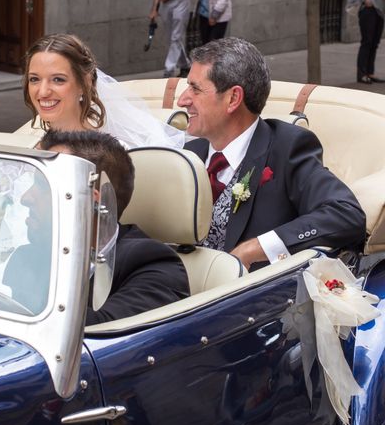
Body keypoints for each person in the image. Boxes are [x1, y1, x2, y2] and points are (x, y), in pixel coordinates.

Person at [177, 37, 366, 270]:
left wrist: (252, 249)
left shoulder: (286, 148)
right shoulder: (186, 156)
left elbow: (345, 215)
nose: (182, 100)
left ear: (233, 98)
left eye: (195, 89)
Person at [38, 129, 190, 325]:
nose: (25, 198)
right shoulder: (31, 254)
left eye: (43, 186)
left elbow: (102, 333)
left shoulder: (152, 264)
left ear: (88, 202)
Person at [22, 33, 184, 149]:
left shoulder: (112, 153)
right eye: (34, 79)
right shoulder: (29, 142)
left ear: (84, 84)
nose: (42, 92)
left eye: (58, 79)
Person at [149, 0, 192, 78]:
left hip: (181, 2)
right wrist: (154, 9)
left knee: (176, 38)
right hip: (165, 4)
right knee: (171, 39)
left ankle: (168, 70)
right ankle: (185, 66)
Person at [352, 0, 385, 83]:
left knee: (375, 43)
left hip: (379, 10)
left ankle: (370, 73)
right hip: (367, 8)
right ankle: (362, 74)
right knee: (367, 42)